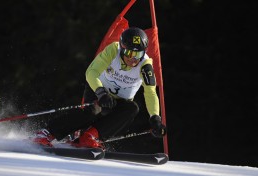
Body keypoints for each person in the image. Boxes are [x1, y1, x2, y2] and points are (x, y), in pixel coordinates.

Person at [31, 27, 166, 149]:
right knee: (92, 111)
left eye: (138, 54)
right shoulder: (113, 50)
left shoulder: (145, 65)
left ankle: (89, 137)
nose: (133, 59)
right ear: (122, 48)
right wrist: (101, 93)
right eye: (129, 53)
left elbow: (150, 93)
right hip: (98, 90)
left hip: (119, 101)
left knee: (132, 109)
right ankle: (47, 133)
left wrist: (155, 118)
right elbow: (91, 72)